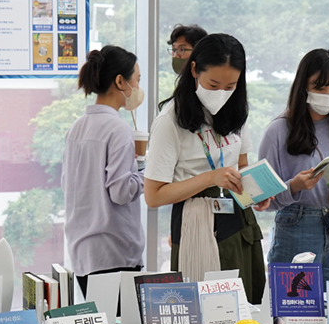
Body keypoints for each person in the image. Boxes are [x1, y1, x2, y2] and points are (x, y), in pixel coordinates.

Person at [144, 33, 267, 303]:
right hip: (196, 221)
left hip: (238, 220)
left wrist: (256, 192)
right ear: (194, 69)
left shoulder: (236, 111)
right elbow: (153, 195)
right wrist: (210, 177)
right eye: (213, 84)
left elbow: (242, 166)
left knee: (244, 307)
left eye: (230, 85)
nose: (221, 93)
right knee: (207, 312)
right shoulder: (170, 120)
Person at [258, 49, 329, 284]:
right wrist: (294, 187)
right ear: (303, 87)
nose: (328, 95)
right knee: (294, 312)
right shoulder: (278, 132)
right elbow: (264, 201)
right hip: (296, 224)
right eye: (320, 88)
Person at [61, 45, 145, 297]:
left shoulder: (77, 127)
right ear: (120, 81)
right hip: (115, 253)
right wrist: (146, 175)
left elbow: (70, 185)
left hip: (83, 252)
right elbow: (120, 191)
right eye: (137, 80)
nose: (138, 88)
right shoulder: (116, 128)